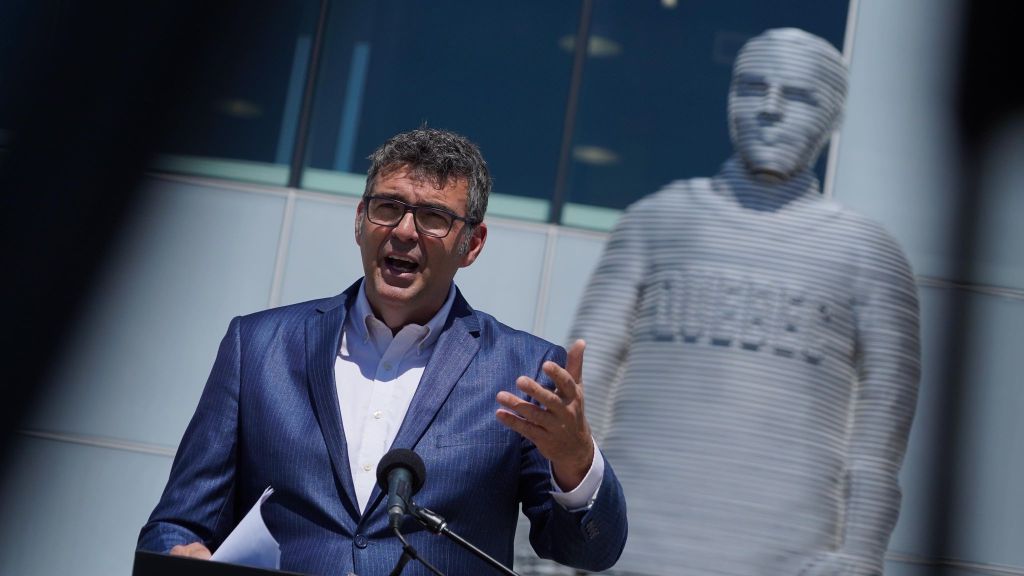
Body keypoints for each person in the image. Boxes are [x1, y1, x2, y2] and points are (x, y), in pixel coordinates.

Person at [138, 128, 628, 575]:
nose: (404, 231)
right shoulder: (257, 346)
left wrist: (575, 460)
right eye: (388, 206)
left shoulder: (523, 371)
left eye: (434, 217)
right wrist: (184, 554)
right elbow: (176, 525)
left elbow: (589, 552)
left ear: (472, 244)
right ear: (360, 219)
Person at [571, 28, 919, 576]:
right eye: (754, 89)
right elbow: (583, 388)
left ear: (831, 115)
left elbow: (879, 437)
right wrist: (546, 535)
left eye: (799, 95)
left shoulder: (868, 255)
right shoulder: (655, 222)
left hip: (785, 560)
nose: (771, 110)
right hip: (629, 553)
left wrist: (859, 556)